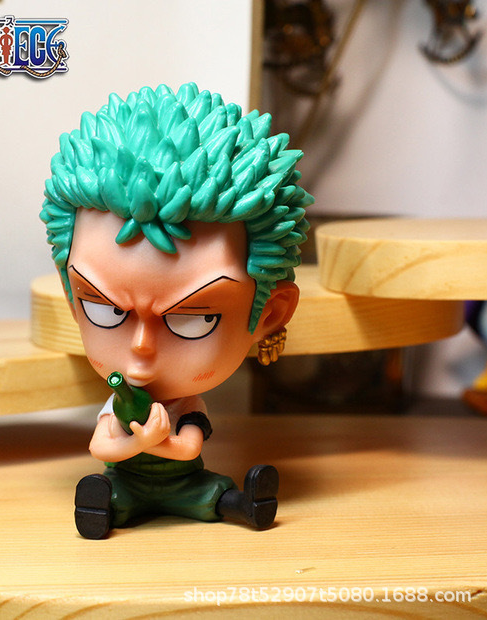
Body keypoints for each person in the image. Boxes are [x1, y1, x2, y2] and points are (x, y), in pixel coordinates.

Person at [40, 83, 313, 539]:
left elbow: (189, 450)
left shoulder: (187, 407)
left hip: (186, 482)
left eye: (193, 319)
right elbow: (100, 446)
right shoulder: (119, 404)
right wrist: (140, 441)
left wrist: (152, 441)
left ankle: (245, 503)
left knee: (212, 491)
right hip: (126, 479)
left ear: (268, 314)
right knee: (115, 492)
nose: (141, 350)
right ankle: (101, 505)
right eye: (105, 311)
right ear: (72, 298)